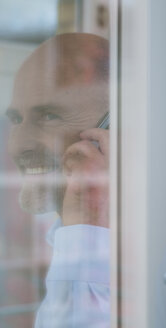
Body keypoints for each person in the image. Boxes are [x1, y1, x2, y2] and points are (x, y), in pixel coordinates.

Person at [6, 33, 110, 327]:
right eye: (16, 120)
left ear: (113, 129)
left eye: (49, 116)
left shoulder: (165, 254)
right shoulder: (66, 236)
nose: (18, 146)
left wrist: (87, 219)